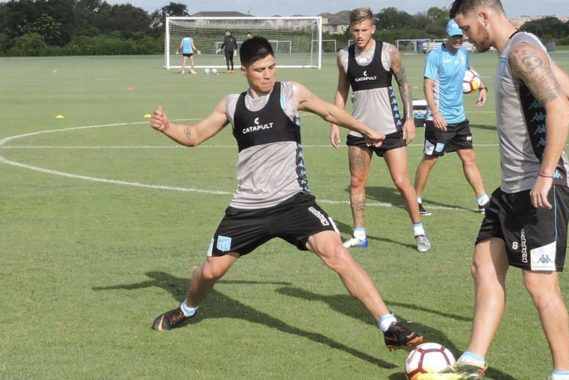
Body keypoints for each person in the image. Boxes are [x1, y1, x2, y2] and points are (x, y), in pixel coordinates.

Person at [149, 36, 424, 353]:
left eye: (272, 67)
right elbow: (194, 135)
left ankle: (389, 325)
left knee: (336, 253)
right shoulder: (232, 105)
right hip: (247, 209)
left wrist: (365, 129)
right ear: (244, 71)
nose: (268, 75)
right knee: (211, 270)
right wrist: (167, 126)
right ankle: (187, 309)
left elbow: (330, 113)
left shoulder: (291, 93)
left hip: (293, 202)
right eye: (259, 70)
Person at [420, 1, 569, 379]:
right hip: (512, 189)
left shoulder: (522, 52)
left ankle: (565, 374)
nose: (467, 38)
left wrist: (545, 173)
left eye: (467, 28)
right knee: (484, 266)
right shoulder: (518, 50)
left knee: (539, 285)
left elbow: (560, 108)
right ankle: (472, 362)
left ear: (484, 16)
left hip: (540, 187)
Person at [330, 8, 430, 253]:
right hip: (358, 130)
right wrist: (334, 121)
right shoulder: (343, 56)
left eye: (364, 30)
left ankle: (419, 231)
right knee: (356, 182)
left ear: (373, 28)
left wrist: (409, 119)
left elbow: (404, 83)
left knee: (400, 181)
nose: (360, 35)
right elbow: (342, 90)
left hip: (389, 130)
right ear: (350, 30)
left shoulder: (388, 52)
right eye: (356, 30)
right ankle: (359, 234)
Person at [413, 19, 489, 216]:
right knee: (430, 160)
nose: (458, 40)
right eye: (455, 36)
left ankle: (483, 200)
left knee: (469, 157)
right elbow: (427, 86)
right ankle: (415, 199)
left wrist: (482, 86)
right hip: (439, 120)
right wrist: (436, 113)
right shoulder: (435, 56)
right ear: (447, 35)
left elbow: (469, 72)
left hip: (459, 118)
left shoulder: (463, 53)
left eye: (461, 36)